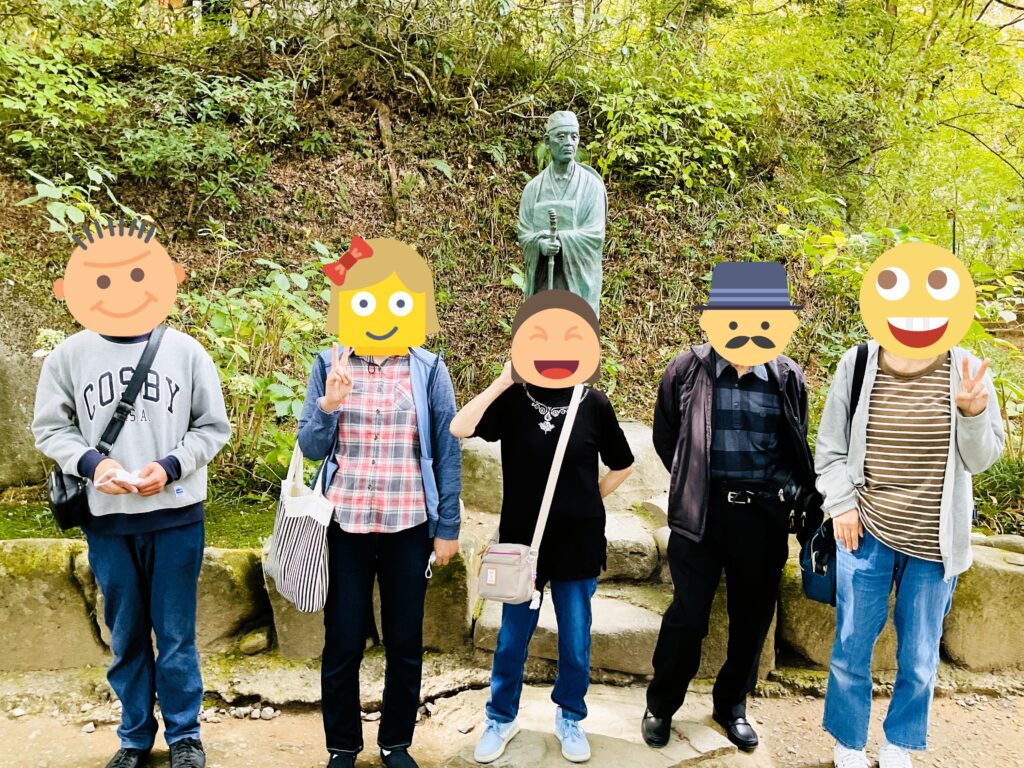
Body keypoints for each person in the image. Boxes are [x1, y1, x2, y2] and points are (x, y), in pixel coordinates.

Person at [32, 219, 231, 768]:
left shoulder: (187, 353)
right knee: (125, 635)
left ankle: (185, 737)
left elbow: (213, 427)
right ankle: (134, 737)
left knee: (176, 634)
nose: (121, 290)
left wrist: (170, 467)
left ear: (170, 278)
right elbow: (50, 428)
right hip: (108, 518)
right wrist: (93, 464)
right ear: (71, 291)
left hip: (176, 515)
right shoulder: (69, 356)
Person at [816, 244, 1004, 768]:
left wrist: (973, 412)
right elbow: (829, 449)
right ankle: (849, 741)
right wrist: (842, 504)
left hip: (934, 543)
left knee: (920, 656)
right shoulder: (858, 363)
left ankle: (900, 742)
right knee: (852, 646)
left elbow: (981, 459)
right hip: (866, 530)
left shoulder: (968, 369)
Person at [449, 290, 635, 764]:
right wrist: (501, 382)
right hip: (521, 544)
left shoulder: (594, 404)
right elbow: (459, 428)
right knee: (512, 638)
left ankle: (570, 717)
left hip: (578, 541)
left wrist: (591, 497)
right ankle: (500, 718)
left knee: (575, 639)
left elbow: (623, 464)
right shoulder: (513, 401)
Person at [298, 237, 462, 768]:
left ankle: (396, 743)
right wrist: (329, 403)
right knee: (342, 640)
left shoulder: (428, 369)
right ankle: (342, 746)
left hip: (408, 523)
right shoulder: (328, 362)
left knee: (405, 641)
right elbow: (311, 447)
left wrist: (448, 526)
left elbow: (447, 448)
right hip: (344, 523)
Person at [642, 261, 818, 753]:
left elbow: (796, 443)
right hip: (700, 515)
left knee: (752, 617)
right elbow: (667, 438)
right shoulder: (686, 369)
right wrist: (694, 481)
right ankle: (661, 705)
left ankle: (732, 705)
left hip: (762, 519)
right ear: (714, 320)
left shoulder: (786, 376)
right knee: (687, 616)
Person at [518, 110, 607, 317]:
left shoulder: (591, 186)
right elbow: (524, 234)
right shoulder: (533, 189)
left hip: (577, 283)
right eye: (561, 136)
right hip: (544, 283)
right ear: (547, 142)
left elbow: (595, 236)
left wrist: (560, 240)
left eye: (574, 137)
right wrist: (540, 245)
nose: (568, 143)